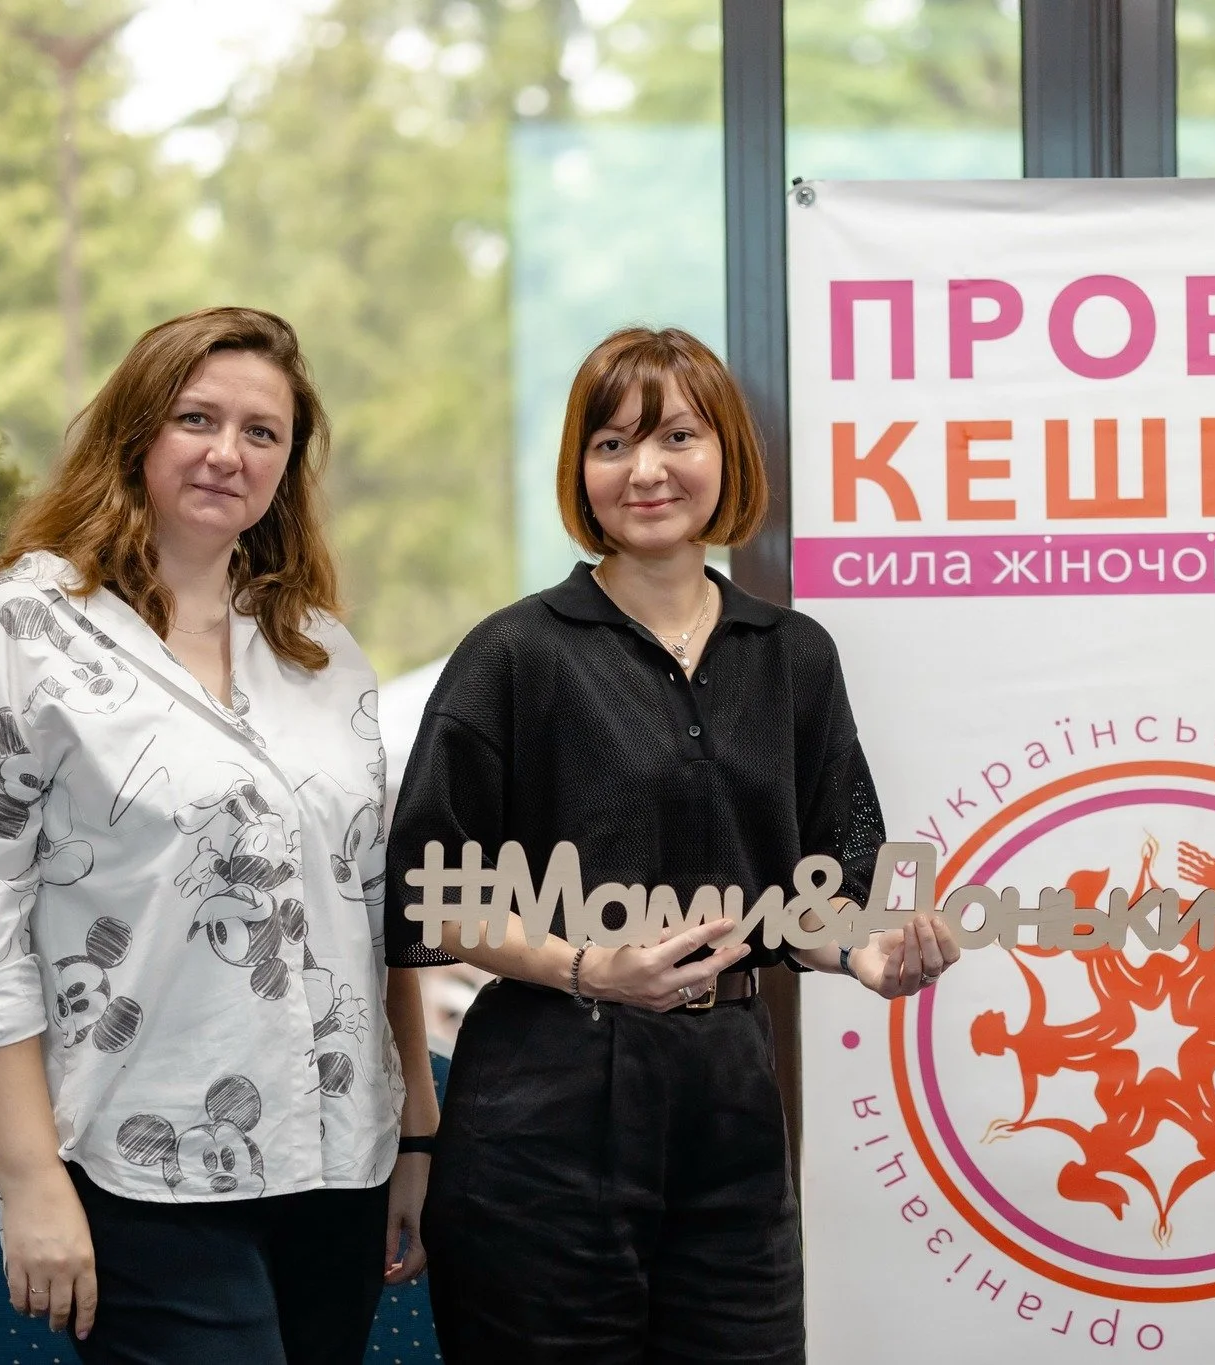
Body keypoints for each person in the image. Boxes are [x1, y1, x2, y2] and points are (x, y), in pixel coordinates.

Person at [385, 325, 958, 1364]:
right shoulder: (514, 653)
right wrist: (590, 966)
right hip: (543, 1106)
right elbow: (430, 892)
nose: (645, 470)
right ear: (581, 471)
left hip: (730, 1101)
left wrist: (866, 950)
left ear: (727, 453)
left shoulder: (793, 655)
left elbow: (823, 886)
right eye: (611, 445)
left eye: (677, 437)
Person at [0, 307, 439, 1362]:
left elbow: (373, 905)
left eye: (263, 432)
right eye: (197, 418)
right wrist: (29, 1179)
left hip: (340, 1163)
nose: (229, 453)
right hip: (142, 1165)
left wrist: (415, 1127)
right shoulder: (21, 632)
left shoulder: (321, 650)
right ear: (135, 432)